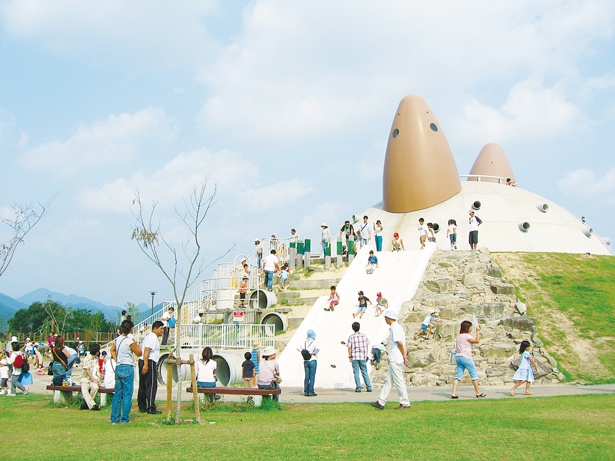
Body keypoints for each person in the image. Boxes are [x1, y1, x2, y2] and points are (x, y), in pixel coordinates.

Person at [371, 310, 410, 410]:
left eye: (385, 317)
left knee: (399, 380)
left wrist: (404, 356)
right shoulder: (398, 327)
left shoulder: (395, 328)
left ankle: (405, 402)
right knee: (389, 381)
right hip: (395, 358)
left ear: (389, 318)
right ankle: (381, 401)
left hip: (395, 358)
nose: (385, 319)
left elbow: (400, 343)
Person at [110, 319, 143, 424]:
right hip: (127, 367)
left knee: (117, 395)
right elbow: (139, 352)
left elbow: (112, 350)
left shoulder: (118, 339)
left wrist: (116, 359)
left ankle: (114, 419)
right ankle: (125, 419)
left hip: (119, 367)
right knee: (127, 395)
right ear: (131, 329)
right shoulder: (129, 341)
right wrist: (134, 342)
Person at [451, 320, 486, 399]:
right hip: (466, 356)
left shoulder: (459, 336)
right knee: (474, 374)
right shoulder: (467, 336)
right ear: (467, 328)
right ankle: (478, 392)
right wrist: (478, 332)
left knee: (458, 375)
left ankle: (454, 393)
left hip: (458, 356)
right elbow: (477, 341)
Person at [138, 320, 164, 414]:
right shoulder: (152, 338)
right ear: (155, 329)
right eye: (161, 329)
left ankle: (142, 406)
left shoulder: (149, 337)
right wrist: (146, 365)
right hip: (149, 361)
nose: (162, 331)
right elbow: (147, 350)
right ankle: (150, 407)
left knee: (143, 385)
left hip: (144, 361)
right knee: (151, 385)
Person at [347, 322, 372, 393]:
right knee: (364, 371)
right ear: (359, 327)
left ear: (353, 328)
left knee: (356, 372)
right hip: (362, 356)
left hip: (355, 356)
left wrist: (350, 356)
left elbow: (349, 348)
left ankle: (358, 387)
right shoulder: (364, 336)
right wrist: (366, 354)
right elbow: (367, 345)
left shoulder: (351, 337)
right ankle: (369, 387)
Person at [80, 343, 101, 411]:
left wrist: (100, 375)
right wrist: (93, 379)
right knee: (84, 390)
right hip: (85, 379)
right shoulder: (86, 359)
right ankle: (93, 405)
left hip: (93, 380)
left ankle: (87, 404)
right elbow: (87, 370)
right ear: (97, 352)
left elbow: (96, 370)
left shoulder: (96, 359)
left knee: (95, 387)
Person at [298, 330, 319, 397]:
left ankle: (306, 391)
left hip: (306, 360)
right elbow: (318, 349)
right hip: (313, 359)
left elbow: (298, 348)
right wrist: (314, 352)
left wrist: (304, 352)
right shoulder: (314, 342)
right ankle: (311, 391)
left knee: (307, 376)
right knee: (312, 376)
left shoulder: (304, 342)